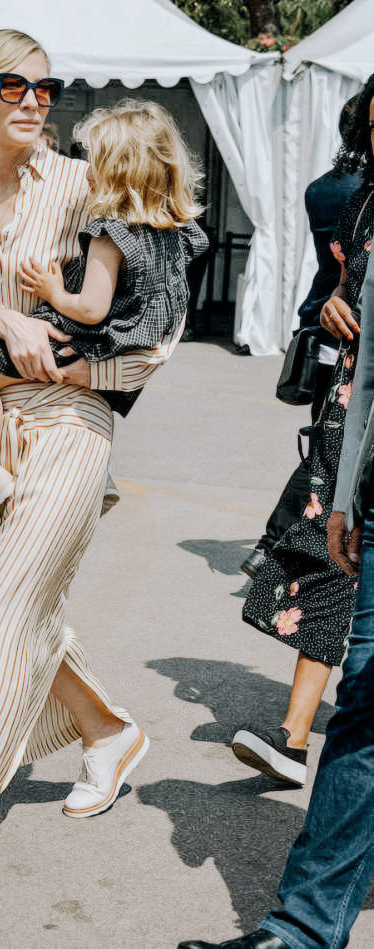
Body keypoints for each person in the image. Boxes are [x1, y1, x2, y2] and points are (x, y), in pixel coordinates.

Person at [0, 29, 200, 915]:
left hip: (70, 421)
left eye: (46, 87)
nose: (34, 100)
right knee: (27, 617)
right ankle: (109, 732)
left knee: (2, 611)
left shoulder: (84, 186)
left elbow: (164, 316)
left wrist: (76, 369)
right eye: (11, 84)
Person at [177, 223, 374, 949]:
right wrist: (345, 494)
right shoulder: (364, 209)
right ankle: (300, 929)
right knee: (362, 709)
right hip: (361, 470)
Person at [0, 100, 207, 523]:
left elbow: (92, 308)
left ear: (116, 171)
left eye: (93, 162)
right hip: (133, 344)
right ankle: (100, 472)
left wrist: (53, 291)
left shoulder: (109, 234)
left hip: (87, 339)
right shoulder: (177, 231)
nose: (86, 171)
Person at [232, 75, 374, 789]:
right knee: (326, 558)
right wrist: (335, 310)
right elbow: (340, 295)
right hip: (350, 414)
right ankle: (291, 738)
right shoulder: (361, 205)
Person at [241, 94, 363, 579]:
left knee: (325, 443)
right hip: (348, 326)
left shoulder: (321, 188)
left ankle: (282, 546)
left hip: (319, 317)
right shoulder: (363, 193)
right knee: (328, 450)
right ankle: (273, 545)